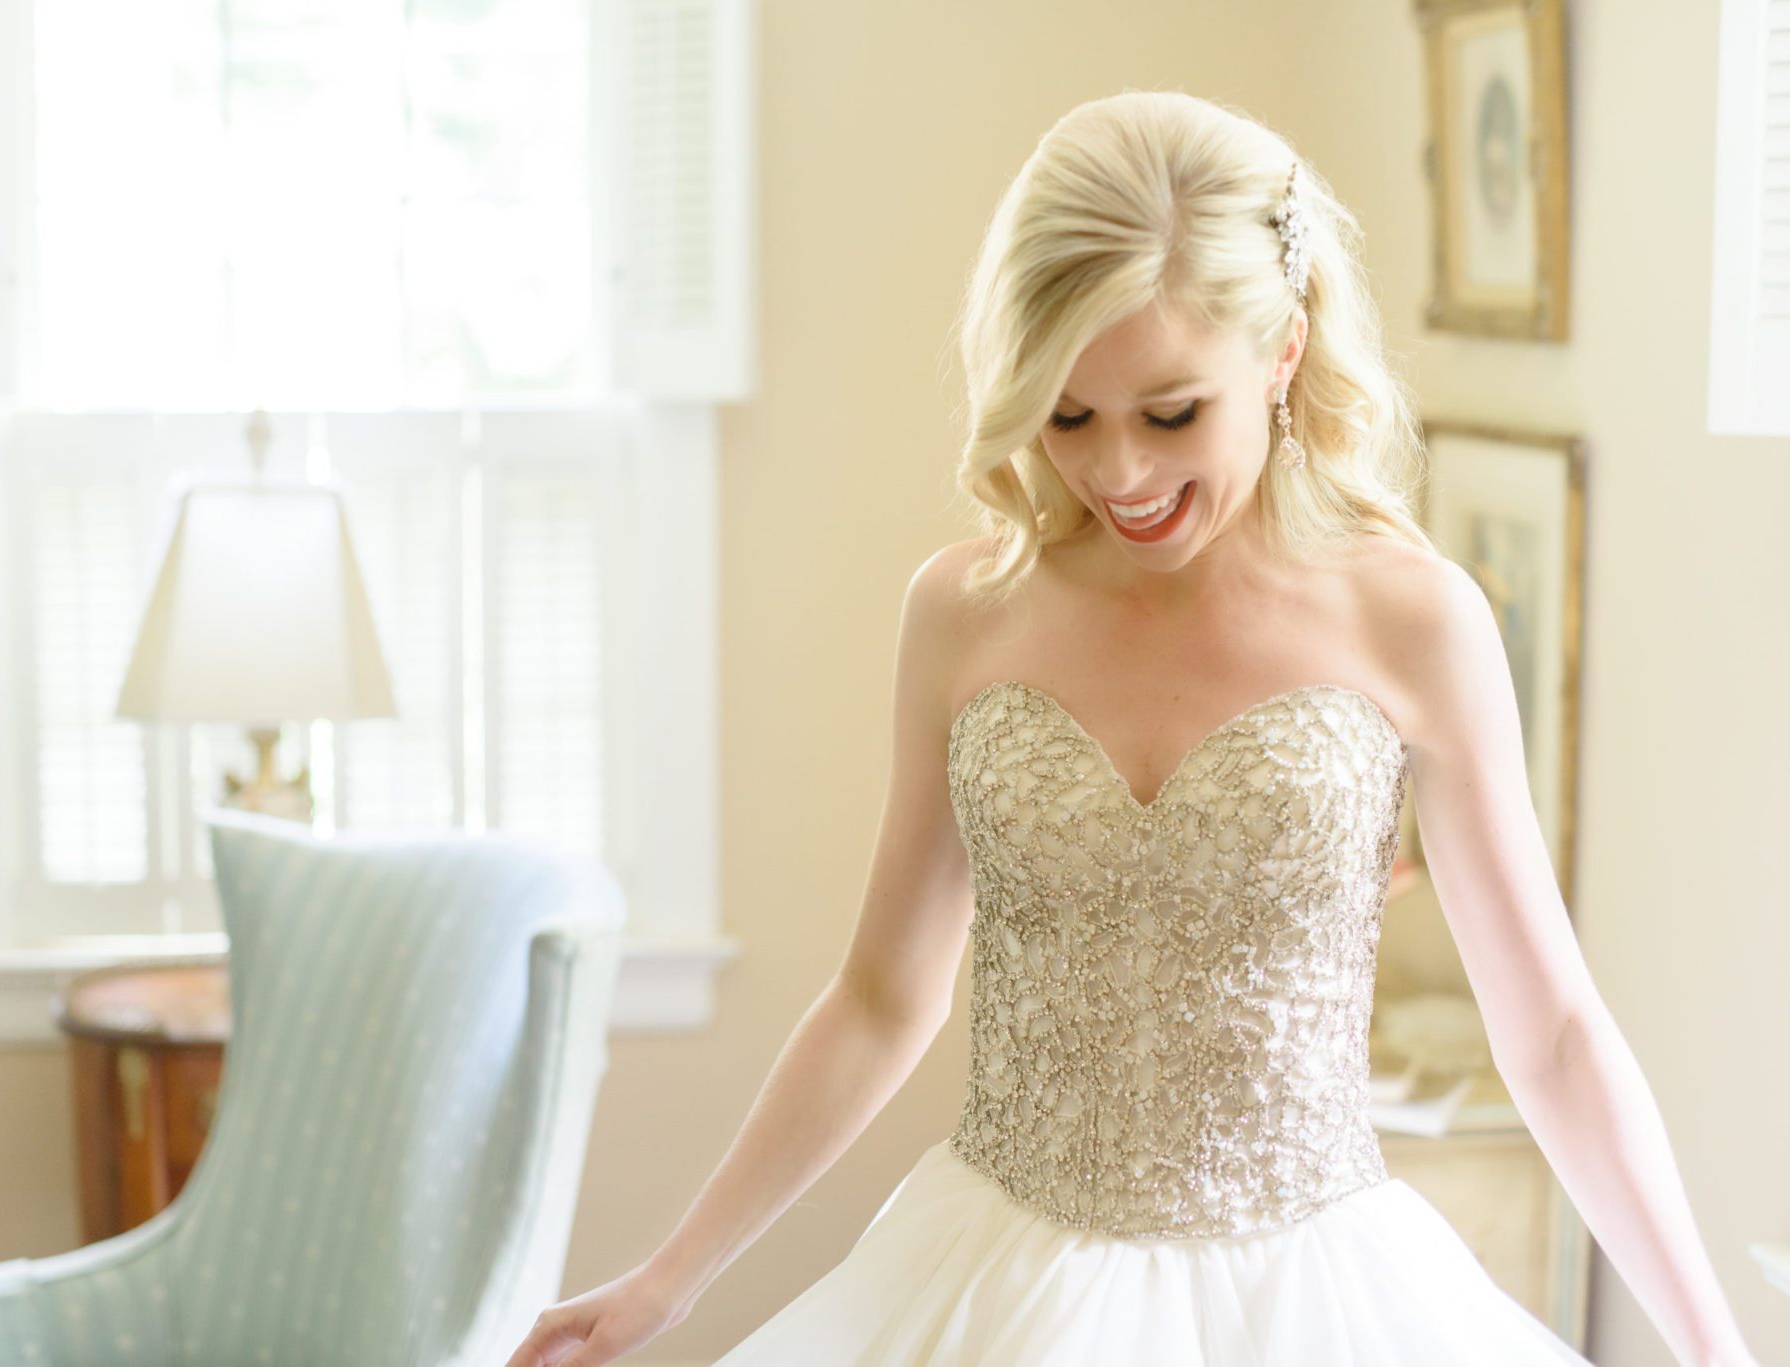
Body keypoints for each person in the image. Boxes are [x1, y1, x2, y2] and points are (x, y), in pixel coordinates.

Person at [502, 90, 1762, 1367]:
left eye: (1169, 414)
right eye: (1066, 415)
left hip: (1320, 1296)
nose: (1118, 476)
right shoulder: (961, 613)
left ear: (1281, 353)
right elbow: (881, 997)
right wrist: (669, 1276)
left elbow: (1548, 1034)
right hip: (997, 1282)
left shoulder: (1413, 619)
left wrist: (1714, 1346)